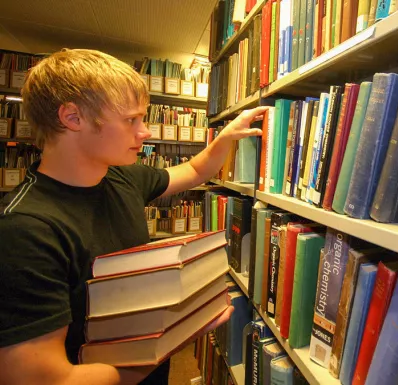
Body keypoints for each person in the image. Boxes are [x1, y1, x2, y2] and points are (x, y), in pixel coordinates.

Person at [0, 49, 267, 385]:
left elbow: (195, 170)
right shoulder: (26, 230)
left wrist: (226, 137)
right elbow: (45, 379)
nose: (144, 132)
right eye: (131, 120)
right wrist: (168, 343)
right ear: (72, 118)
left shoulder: (122, 176)